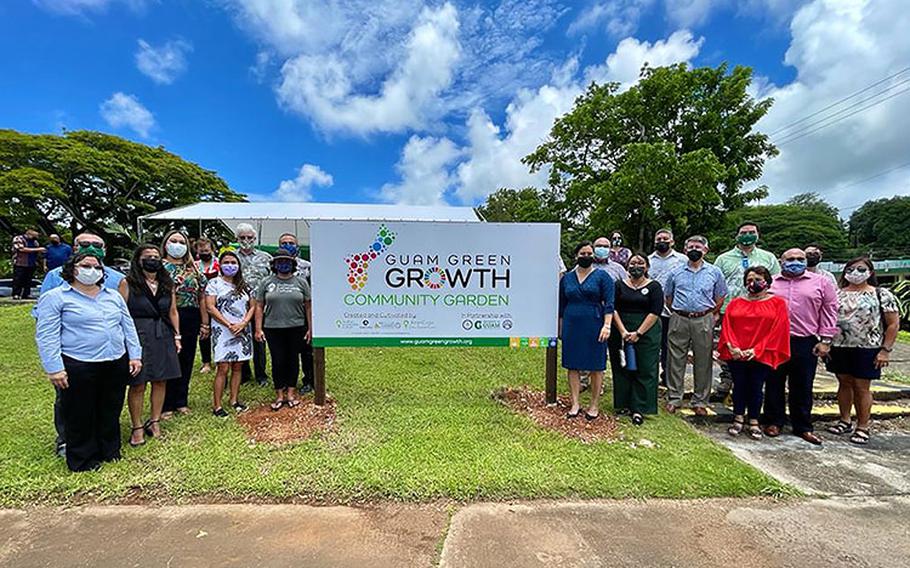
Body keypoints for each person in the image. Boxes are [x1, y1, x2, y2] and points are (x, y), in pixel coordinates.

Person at [34, 253, 142, 471]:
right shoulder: (57, 297)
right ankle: (83, 458)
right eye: (85, 265)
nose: (92, 270)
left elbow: (127, 326)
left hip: (114, 359)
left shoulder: (112, 295)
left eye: (96, 266)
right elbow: (47, 335)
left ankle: (109, 450)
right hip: (79, 362)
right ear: (73, 269)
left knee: (110, 408)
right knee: (80, 412)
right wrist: (54, 368)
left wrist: (135, 354)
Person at [765, 248, 839, 444]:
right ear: (781, 262)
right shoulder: (771, 282)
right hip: (774, 340)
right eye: (790, 259)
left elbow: (830, 310)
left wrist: (825, 340)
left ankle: (803, 426)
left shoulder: (821, 282)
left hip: (805, 340)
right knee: (774, 382)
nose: (795, 262)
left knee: (803, 385)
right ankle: (773, 421)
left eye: (800, 259)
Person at [825, 258, 899, 445]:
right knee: (844, 382)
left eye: (861, 269)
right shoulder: (837, 293)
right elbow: (828, 319)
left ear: (870, 272)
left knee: (861, 386)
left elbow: (892, 324)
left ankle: (863, 426)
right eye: (851, 269)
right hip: (840, 345)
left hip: (868, 347)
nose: (855, 272)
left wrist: (885, 350)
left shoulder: (881, 294)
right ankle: (844, 420)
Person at [119, 245, 182, 447]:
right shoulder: (127, 283)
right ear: (138, 260)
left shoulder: (166, 283)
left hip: (163, 332)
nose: (152, 260)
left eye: (156, 257)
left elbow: (173, 311)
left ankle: (154, 421)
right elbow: (121, 313)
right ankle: (137, 426)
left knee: (161, 379)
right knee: (138, 382)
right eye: (148, 257)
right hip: (138, 333)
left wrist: (177, 335)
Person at [718, 267, 791, 440]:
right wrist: (732, 346)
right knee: (739, 386)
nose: (753, 283)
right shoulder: (735, 302)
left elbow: (778, 330)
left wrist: (756, 350)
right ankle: (737, 417)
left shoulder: (778, 303)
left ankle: (754, 420)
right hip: (737, 352)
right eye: (749, 280)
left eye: (758, 279)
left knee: (756, 387)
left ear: (767, 281)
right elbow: (727, 325)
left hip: (761, 352)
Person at [713, 222, 781, 396]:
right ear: (737, 235)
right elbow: (716, 285)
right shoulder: (723, 259)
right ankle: (727, 378)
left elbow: (776, 283)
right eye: (744, 232)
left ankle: (755, 382)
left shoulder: (769, 258)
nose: (748, 235)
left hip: (760, 311)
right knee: (728, 345)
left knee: (757, 345)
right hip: (730, 309)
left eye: (752, 232)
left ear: (758, 235)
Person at [664, 235, 728, 415]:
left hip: (704, 318)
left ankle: (700, 400)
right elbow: (668, 297)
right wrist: (679, 311)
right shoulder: (675, 272)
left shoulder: (714, 272)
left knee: (703, 359)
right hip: (679, 317)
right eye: (691, 246)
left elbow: (720, 295)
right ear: (685, 250)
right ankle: (674, 398)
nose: (695, 249)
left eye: (699, 247)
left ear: (705, 250)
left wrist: (710, 313)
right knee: (675, 359)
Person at [558, 242, 614, 420]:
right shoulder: (567, 278)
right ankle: (575, 403)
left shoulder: (602, 276)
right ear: (576, 256)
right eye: (583, 253)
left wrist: (607, 325)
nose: (586, 256)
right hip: (572, 324)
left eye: (589, 253)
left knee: (596, 366)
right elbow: (561, 304)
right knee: (572, 364)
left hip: (595, 324)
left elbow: (610, 303)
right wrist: (560, 326)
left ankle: (594, 404)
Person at [254, 250, 313, 410]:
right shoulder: (266, 282)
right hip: (273, 328)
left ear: (293, 264)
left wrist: (310, 328)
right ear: (274, 265)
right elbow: (259, 306)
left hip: (297, 327)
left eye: (287, 262)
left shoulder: (301, 282)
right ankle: (280, 394)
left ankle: (291, 393)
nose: (283, 265)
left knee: (293, 359)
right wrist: (258, 329)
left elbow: (308, 306)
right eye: (280, 262)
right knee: (278, 360)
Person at [608, 253, 663, 425]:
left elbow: (655, 312)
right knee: (622, 366)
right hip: (621, 329)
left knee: (645, 367)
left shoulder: (654, 287)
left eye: (640, 263)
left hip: (646, 332)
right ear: (627, 266)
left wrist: (638, 333)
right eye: (632, 263)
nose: (636, 266)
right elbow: (613, 308)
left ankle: (639, 407)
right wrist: (623, 331)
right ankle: (623, 404)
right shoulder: (619, 285)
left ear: (646, 267)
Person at [160, 230, 209, 419]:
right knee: (168, 359)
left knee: (186, 359)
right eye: (173, 241)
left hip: (191, 315)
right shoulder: (160, 268)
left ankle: (181, 400)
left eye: (181, 241)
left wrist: (205, 323)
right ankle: (166, 404)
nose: (177, 244)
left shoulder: (194, 269)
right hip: (166, 316)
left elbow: (202, 296)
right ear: (166, 244)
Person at [206, 251, 254, 417]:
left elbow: (253, 306)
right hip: (223, 330)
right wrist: (228, 324)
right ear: (220, 264)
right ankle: (217, 405)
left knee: (238, 366)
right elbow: (210, 307)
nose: (230, 265)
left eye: (233, 262)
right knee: (223, 367)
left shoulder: (244, 285)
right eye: (226, 262)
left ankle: (234, 399)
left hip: (242, 330)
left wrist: (244, 323)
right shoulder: (214, 284)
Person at [275, 233, 315, 393]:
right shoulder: (273, 264)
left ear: (297, 246)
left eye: (291, 243)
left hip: (302, 313)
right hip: (281, 315)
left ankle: (309, 380)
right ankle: (285, 381)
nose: (287, 245)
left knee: (306, 350)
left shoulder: (307, 266)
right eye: (284, 243)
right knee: (284, 351)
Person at [234, 223, 272, 386]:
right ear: (237, 239)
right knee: (240, 338)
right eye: (242, 238)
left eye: (249, 238)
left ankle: (261, 374)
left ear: (255, 239)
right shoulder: (232, 257)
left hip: (260, 306)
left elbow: (272, 279)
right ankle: (243, 373)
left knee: (259, 339)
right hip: (237, 306)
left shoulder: (266, 257)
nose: (246, 240)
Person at [648, 229, 687, 386]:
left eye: (665, 238)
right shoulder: (649, 260)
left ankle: (668, 378)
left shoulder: (682, 260)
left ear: (672, 241)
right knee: (652, 345)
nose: (662, 241)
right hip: (651, 311)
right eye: (659, 239)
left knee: (670, 347)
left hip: (673, 310)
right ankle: (650, 377)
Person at [195, 238, 220, 375]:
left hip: (217, 303)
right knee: (204, 333)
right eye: (201, 250)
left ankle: (218, 360)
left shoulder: (219, 264)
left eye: (207, 250)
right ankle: (206, 362)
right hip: (200, 302)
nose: (204, 252)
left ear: (212, 250)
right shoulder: (194, 265)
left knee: (218, 332)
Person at [11, 228, 45, 300]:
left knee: (28, 280)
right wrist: (38, 249)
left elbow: (37, 252)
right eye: (35, 234)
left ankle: (26, 294)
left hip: (31, 263)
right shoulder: (18, 238)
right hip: (20, 262)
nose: (36, 236)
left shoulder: (35, 242)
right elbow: (21, 249)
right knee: (18, 279)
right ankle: (16, 294)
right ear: (29, 233)